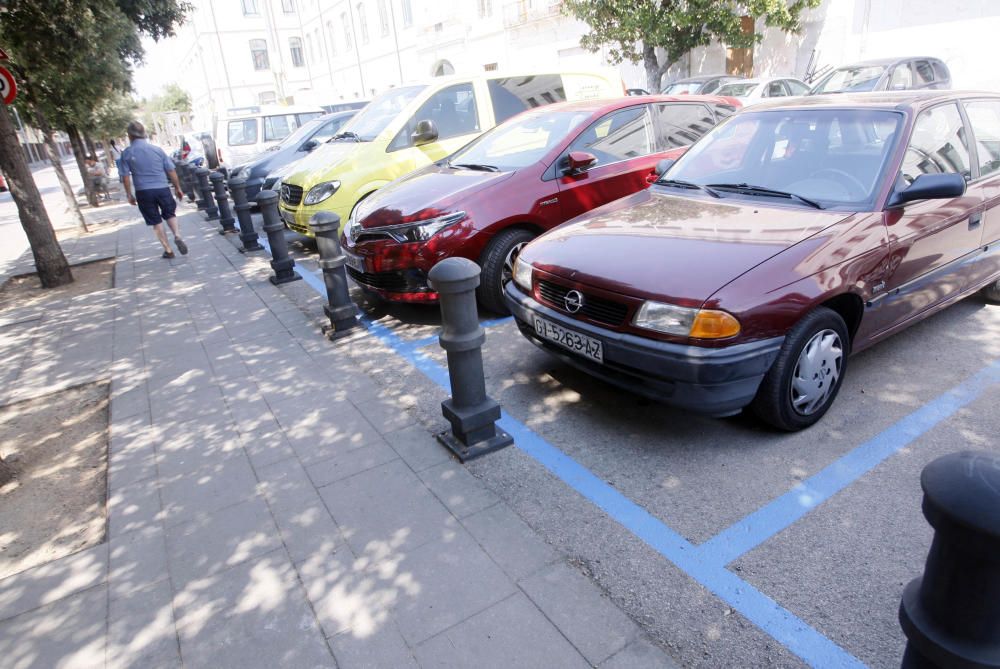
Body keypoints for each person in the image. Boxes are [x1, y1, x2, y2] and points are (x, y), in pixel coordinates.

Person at [120, 121, 188, 259]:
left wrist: (129, 194)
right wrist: (178, 187)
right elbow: (171, 171)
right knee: (170, 214)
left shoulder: (127, 153)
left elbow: (125, 177)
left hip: (143, 191)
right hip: (162, 188)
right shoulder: (157, 150)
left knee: (155, 221)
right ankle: (177, 235)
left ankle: (168, 250)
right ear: (144, 133)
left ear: (130, 135)